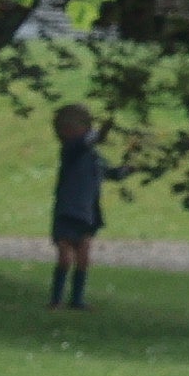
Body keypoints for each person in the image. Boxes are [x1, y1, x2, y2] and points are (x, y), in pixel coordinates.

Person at [49, 99, 108, 308]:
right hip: (68, 212)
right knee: (65, 257)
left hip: (87, 213)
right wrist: (100, 133)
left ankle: (77, 299)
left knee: (83, 257)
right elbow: (85, 142)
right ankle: (56, 299)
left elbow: (109, 171)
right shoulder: (70, 151)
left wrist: (128, 169)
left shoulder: (93, 157)